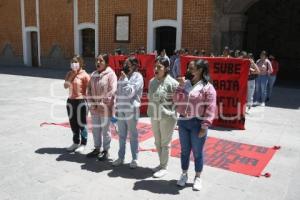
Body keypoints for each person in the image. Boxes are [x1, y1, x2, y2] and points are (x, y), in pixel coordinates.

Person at [173, 59, 216, 191]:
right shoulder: (185, 84)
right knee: (184, 151)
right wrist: (180, 87)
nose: (188, 71)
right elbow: (175, 99)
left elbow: (210, 108)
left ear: (200, 70)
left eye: (192, 69)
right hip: (183, 122)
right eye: (188, 68)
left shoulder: (207, 87)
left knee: (197, 152)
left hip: (198, 123)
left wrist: (205, 126)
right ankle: (184, 174)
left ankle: (197, 177)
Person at [147, 57, 179, 178]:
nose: (156, 69)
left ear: (166, 69)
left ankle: (164, 167)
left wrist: (172, 112)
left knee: (165, 143)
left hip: (167, 117)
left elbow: (178, 102)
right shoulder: (152, 81)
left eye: (159, 67)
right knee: (157, 142)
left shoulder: (173, 83)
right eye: (155, 66)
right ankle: (161, 164)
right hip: (154, 115)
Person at [112, 56, 144, 168]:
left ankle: (135, 159)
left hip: (131, 109)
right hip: (121, 109)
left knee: (133, 135)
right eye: (124, 64)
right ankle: (121, 157)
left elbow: (130, 92)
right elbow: (119, 93)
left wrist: (125, 79)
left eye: (127, 64)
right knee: (121, 135)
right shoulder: (122, 77)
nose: (125, 66)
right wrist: (116, 107)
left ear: (134, 66)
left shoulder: (138, 77)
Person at [86, 54, 118, 160]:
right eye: (97, 60)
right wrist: (93, 103)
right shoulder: (94, 74)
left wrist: (103, 103)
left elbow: (113, 90)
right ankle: (96, 148)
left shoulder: (111, 74)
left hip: (105, 108)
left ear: (106, 63)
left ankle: (106, 150)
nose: (98, 63)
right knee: (95, 129)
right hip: (94, 108)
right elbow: (88, 90)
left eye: (101, 61)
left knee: (105, 130)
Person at [64, 55, 90, 153]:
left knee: (81, 124)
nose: (73, 64)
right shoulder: (69, 73)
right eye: (72, 62)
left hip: (81, 101)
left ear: (80, 63)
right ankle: (75, 142)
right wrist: (72, 75)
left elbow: (90, 89)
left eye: (75, 62)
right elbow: (65, 86)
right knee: (73, 123)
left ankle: (83, 143)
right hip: (70, 101)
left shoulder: (85, 75)